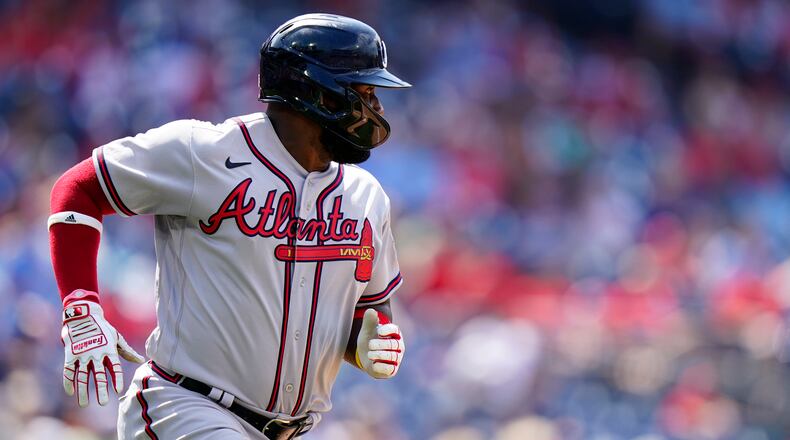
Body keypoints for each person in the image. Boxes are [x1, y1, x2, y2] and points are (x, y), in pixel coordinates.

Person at [49, 13, 409, 439]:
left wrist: (368, 343)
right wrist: (81, 306)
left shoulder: (366, 197)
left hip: (292, 429)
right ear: (318, 93)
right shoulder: (204, 152)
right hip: (185, 407)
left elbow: (369, 310)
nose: (377, 108)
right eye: (365, 91)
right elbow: (78, 188)